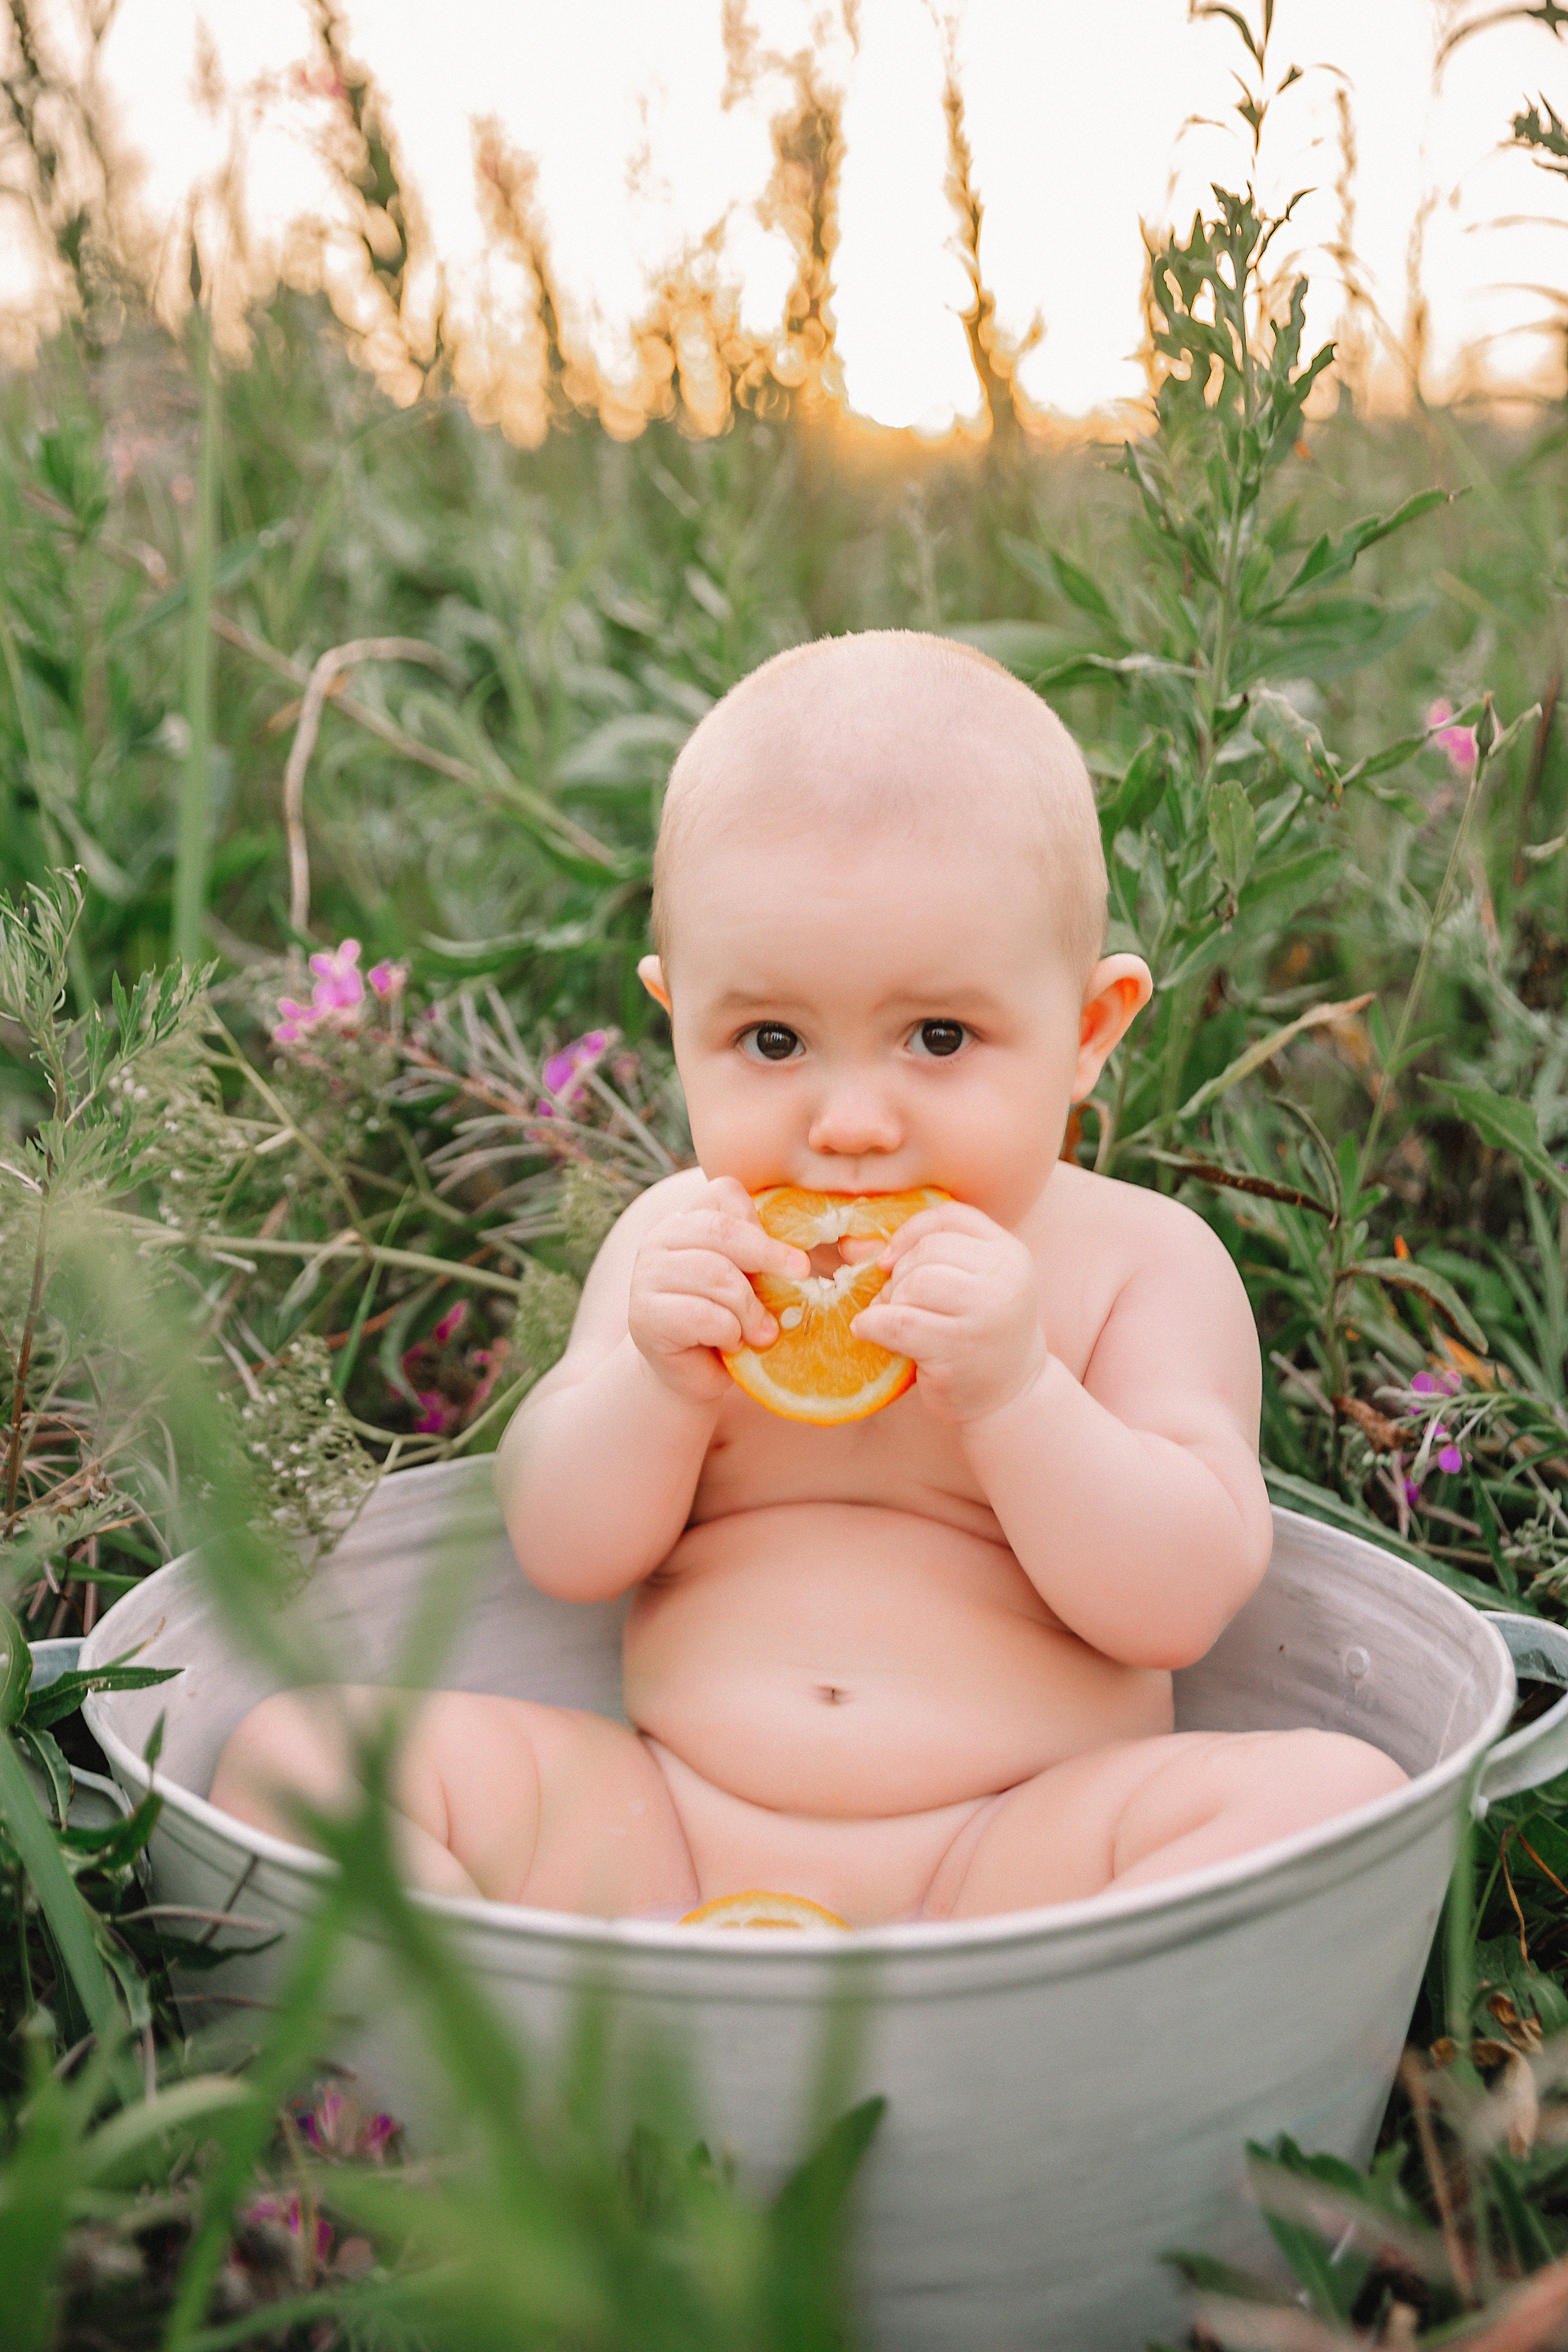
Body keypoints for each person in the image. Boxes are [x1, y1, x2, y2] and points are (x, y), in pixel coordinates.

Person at [210, 630, 1404, 1922]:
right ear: (679, 1024)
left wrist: (1018, 1397)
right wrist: (653, 1387)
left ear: (1085, 1031)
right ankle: (539, 2044)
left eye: (936, 1037)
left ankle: (974, 2048)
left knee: (1333, 1798)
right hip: (665, 1825)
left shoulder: (1135, 1262)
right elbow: (560, 1546)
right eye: (770, 1039)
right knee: (294, 1757)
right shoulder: (681, 1243)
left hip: (1012, 1859)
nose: (848, 1123)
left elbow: (1177, 1604)